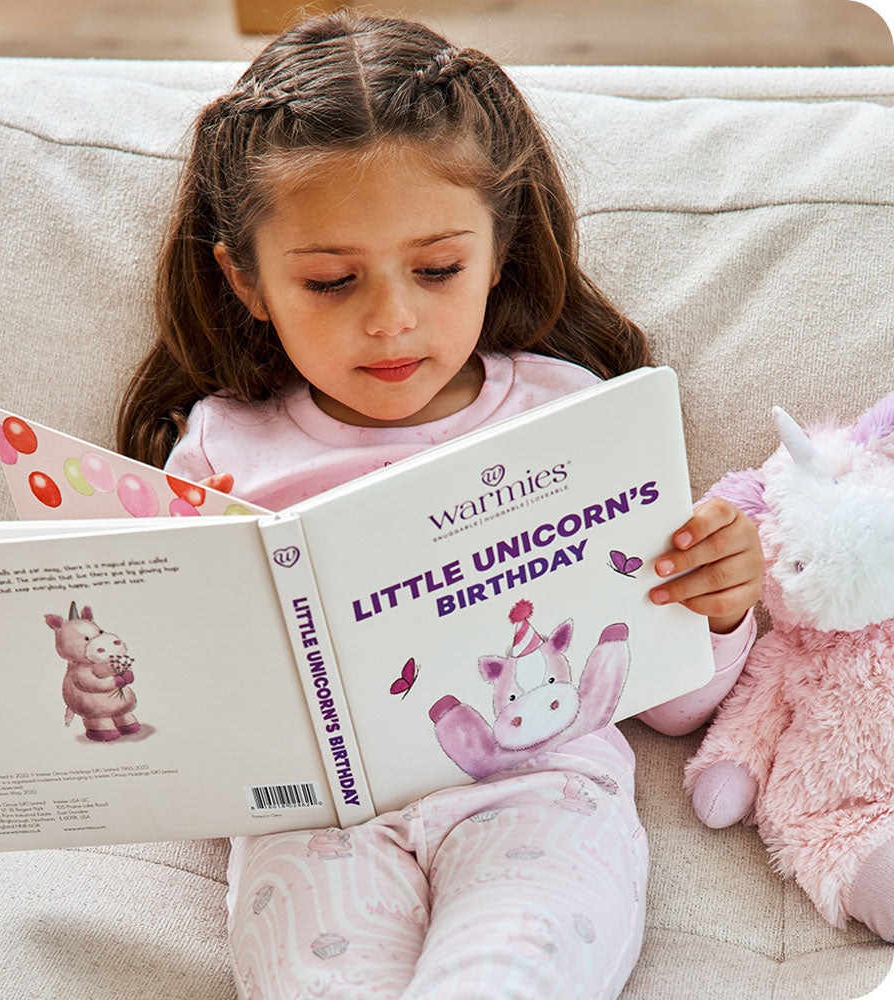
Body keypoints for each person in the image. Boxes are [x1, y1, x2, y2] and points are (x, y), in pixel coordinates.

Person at [118, 11, 764, 998]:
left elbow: (673, 703)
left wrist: (719, 604)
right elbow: (182, 726)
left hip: (540, 791)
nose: (390, 318)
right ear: (244, 280)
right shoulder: (214, 446)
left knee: (511, 967)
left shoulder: (575, 418)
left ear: (499, 248)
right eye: (331, 281)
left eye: (436, 268)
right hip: (316, 818)